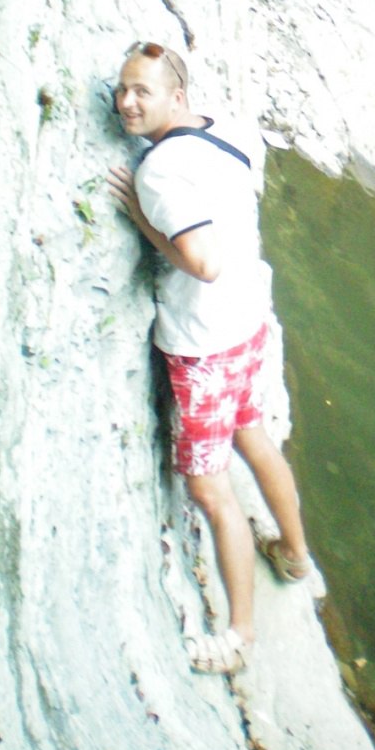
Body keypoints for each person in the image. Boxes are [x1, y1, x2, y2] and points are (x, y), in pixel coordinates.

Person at [107, 41, 311, 676]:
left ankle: (240, 637)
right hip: (247, 323)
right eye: (122, 90)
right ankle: (296, 556)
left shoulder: (159, 172)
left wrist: (143, 218)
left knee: (209, 486)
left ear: (177, 96)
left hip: (203, 344)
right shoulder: (226, 129)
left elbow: (203, 261)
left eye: (143, 90)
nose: (127, 102)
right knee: (253, 435)